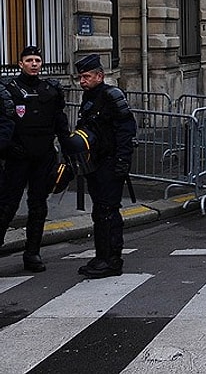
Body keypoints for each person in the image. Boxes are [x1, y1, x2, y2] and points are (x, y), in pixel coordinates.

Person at [0, 46, 70, 272]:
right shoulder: (9, 89)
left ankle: (32, 254)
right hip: (17, 159)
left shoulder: (50, 90)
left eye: (37, 60)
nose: (33, 64)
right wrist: (9, 148)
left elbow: (60, 122)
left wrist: (68, 149)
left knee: (38, 207)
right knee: (7, 206)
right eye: (29, 60)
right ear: (20, 63)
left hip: (43, 158)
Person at [72, 54, 136, 279]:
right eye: (81, 77)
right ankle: (102, 256)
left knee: (108, 212)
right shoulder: (88, 97)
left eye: (87, 76)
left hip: (111, 163)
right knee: (99, 212)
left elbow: (126, 130)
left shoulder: (112, 96)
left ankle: (112, 260)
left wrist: (122, 161)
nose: (83, 80)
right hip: (96, 164)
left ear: (100, 75)